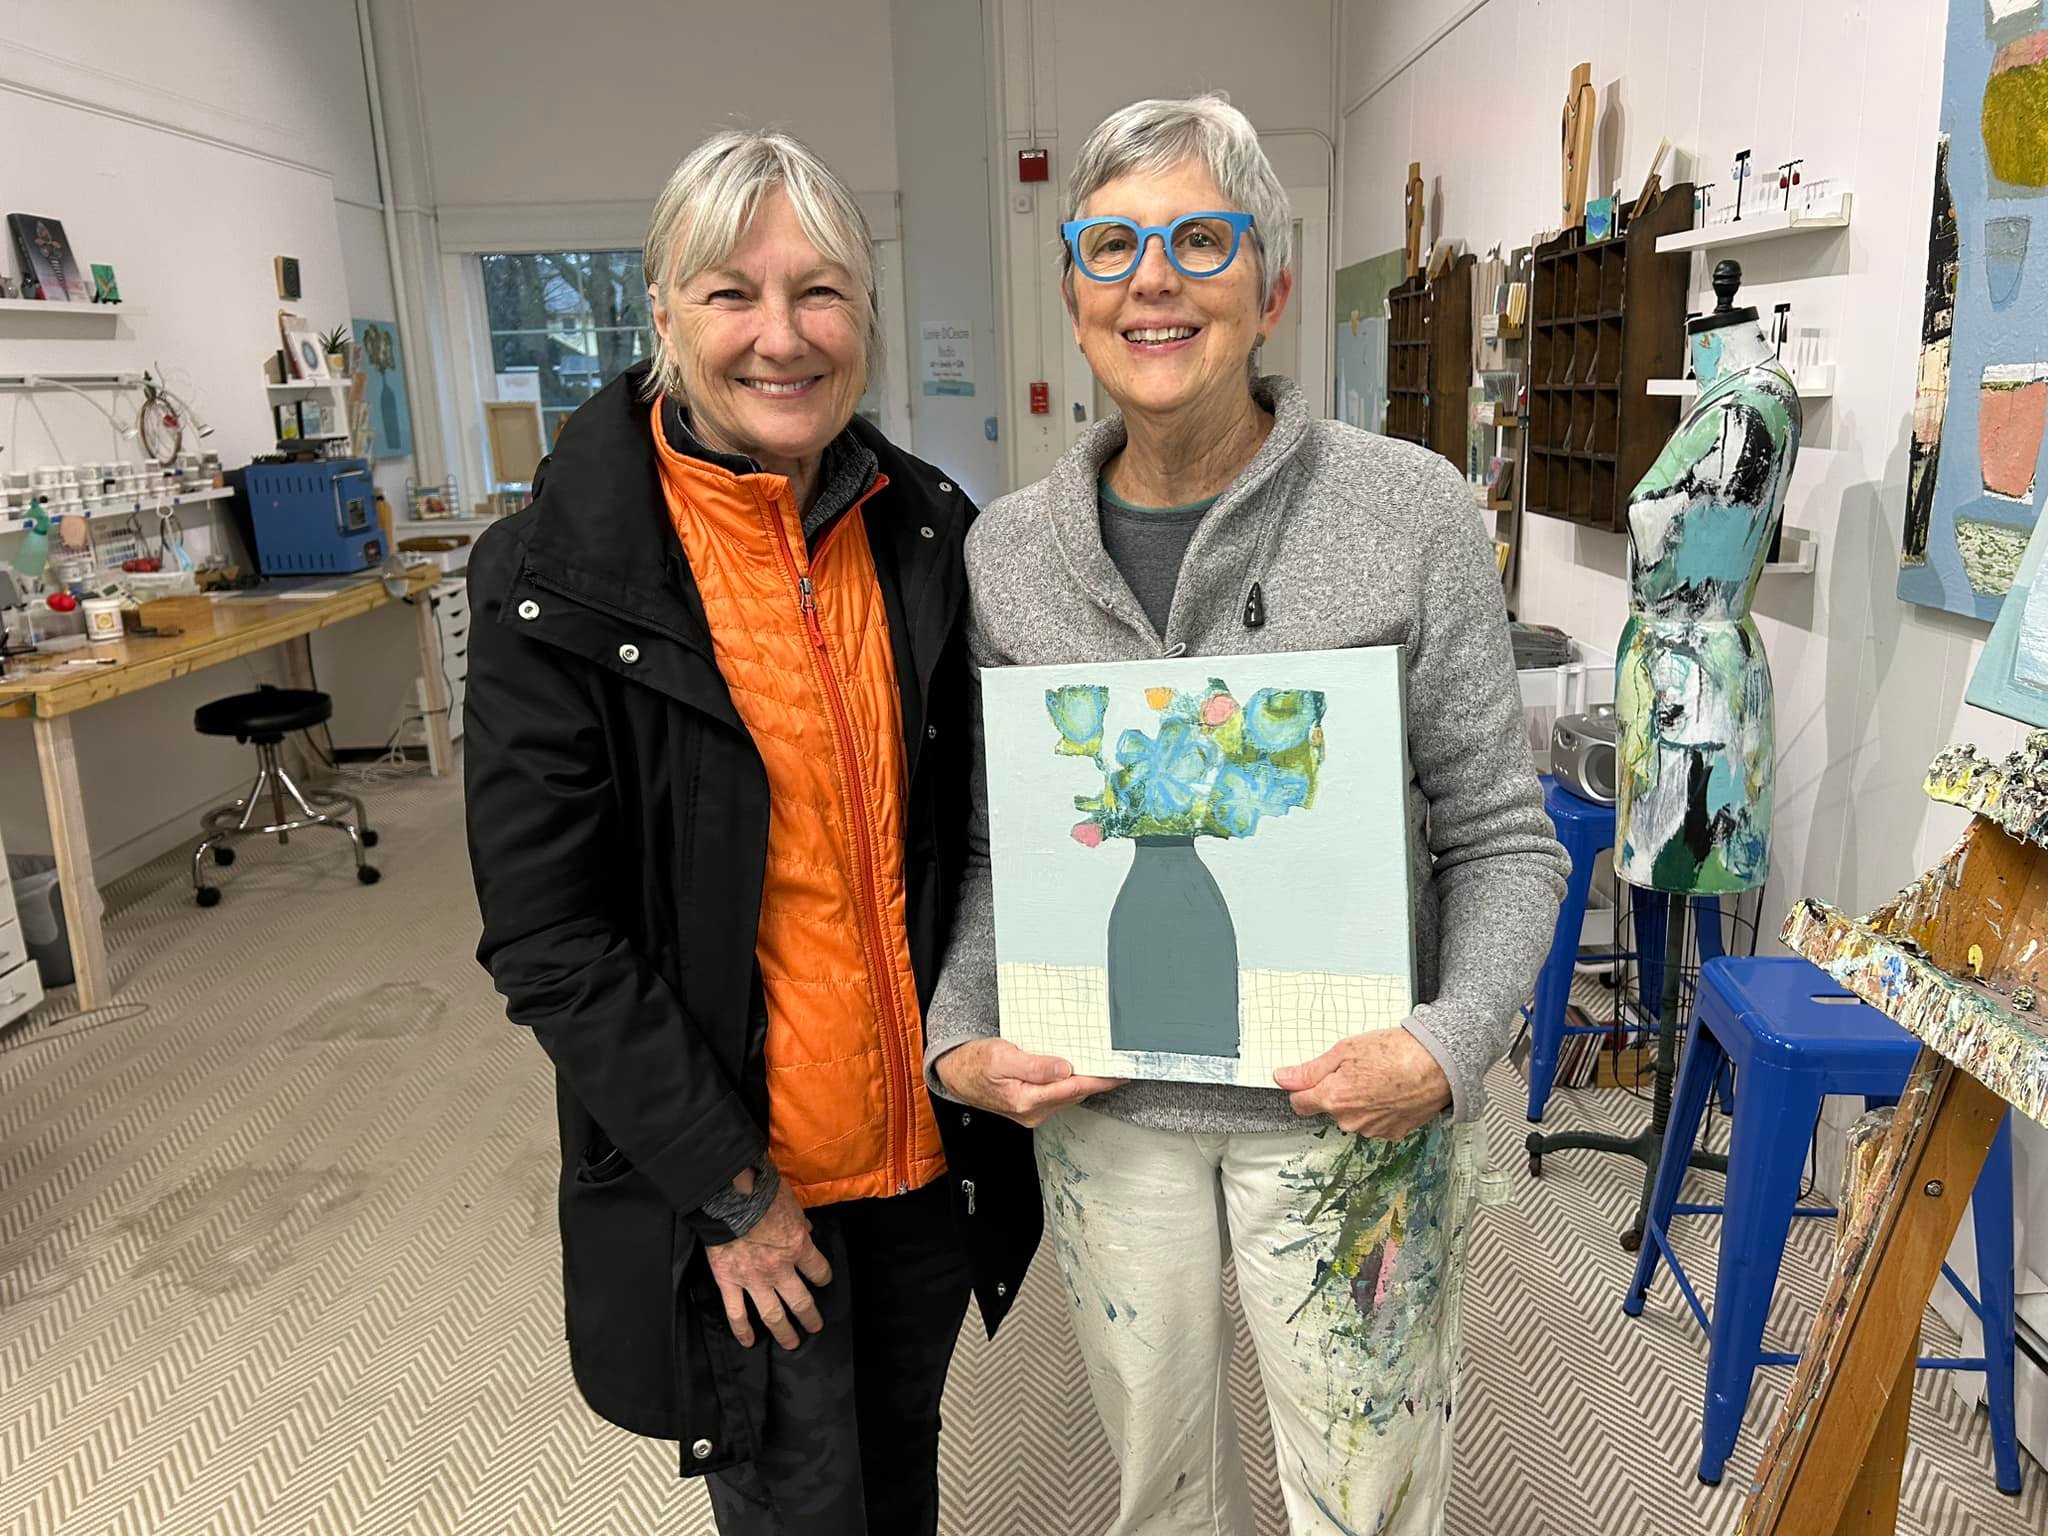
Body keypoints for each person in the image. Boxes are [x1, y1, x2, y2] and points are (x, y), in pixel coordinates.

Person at [925, 94, 1569, 1536]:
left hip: (1349, 1106)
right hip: (1107, 1110)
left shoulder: (1408, 511)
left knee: (1364, 1492)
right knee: (1154, 1485)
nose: (1153, 279)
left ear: (1271, 290)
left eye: (1201, 241)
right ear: (1076, 298)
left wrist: (1447, 1044)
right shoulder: (1008, 556)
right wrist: (960, 1028)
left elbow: (1501, 837)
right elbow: (994, 848)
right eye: (1112, 247)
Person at [463, 128, 1039, 1536]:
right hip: (747, 1180)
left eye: (819, 291)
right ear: (663, 312)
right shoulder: (557, 577)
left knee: (900, 1474)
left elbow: (981, 836)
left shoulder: (925, 530)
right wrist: (730, 1191)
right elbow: (551, 939)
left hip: (921, 1153)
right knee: (799, 1504)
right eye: (732, 293)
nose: (781, 336)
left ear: (866, 314)